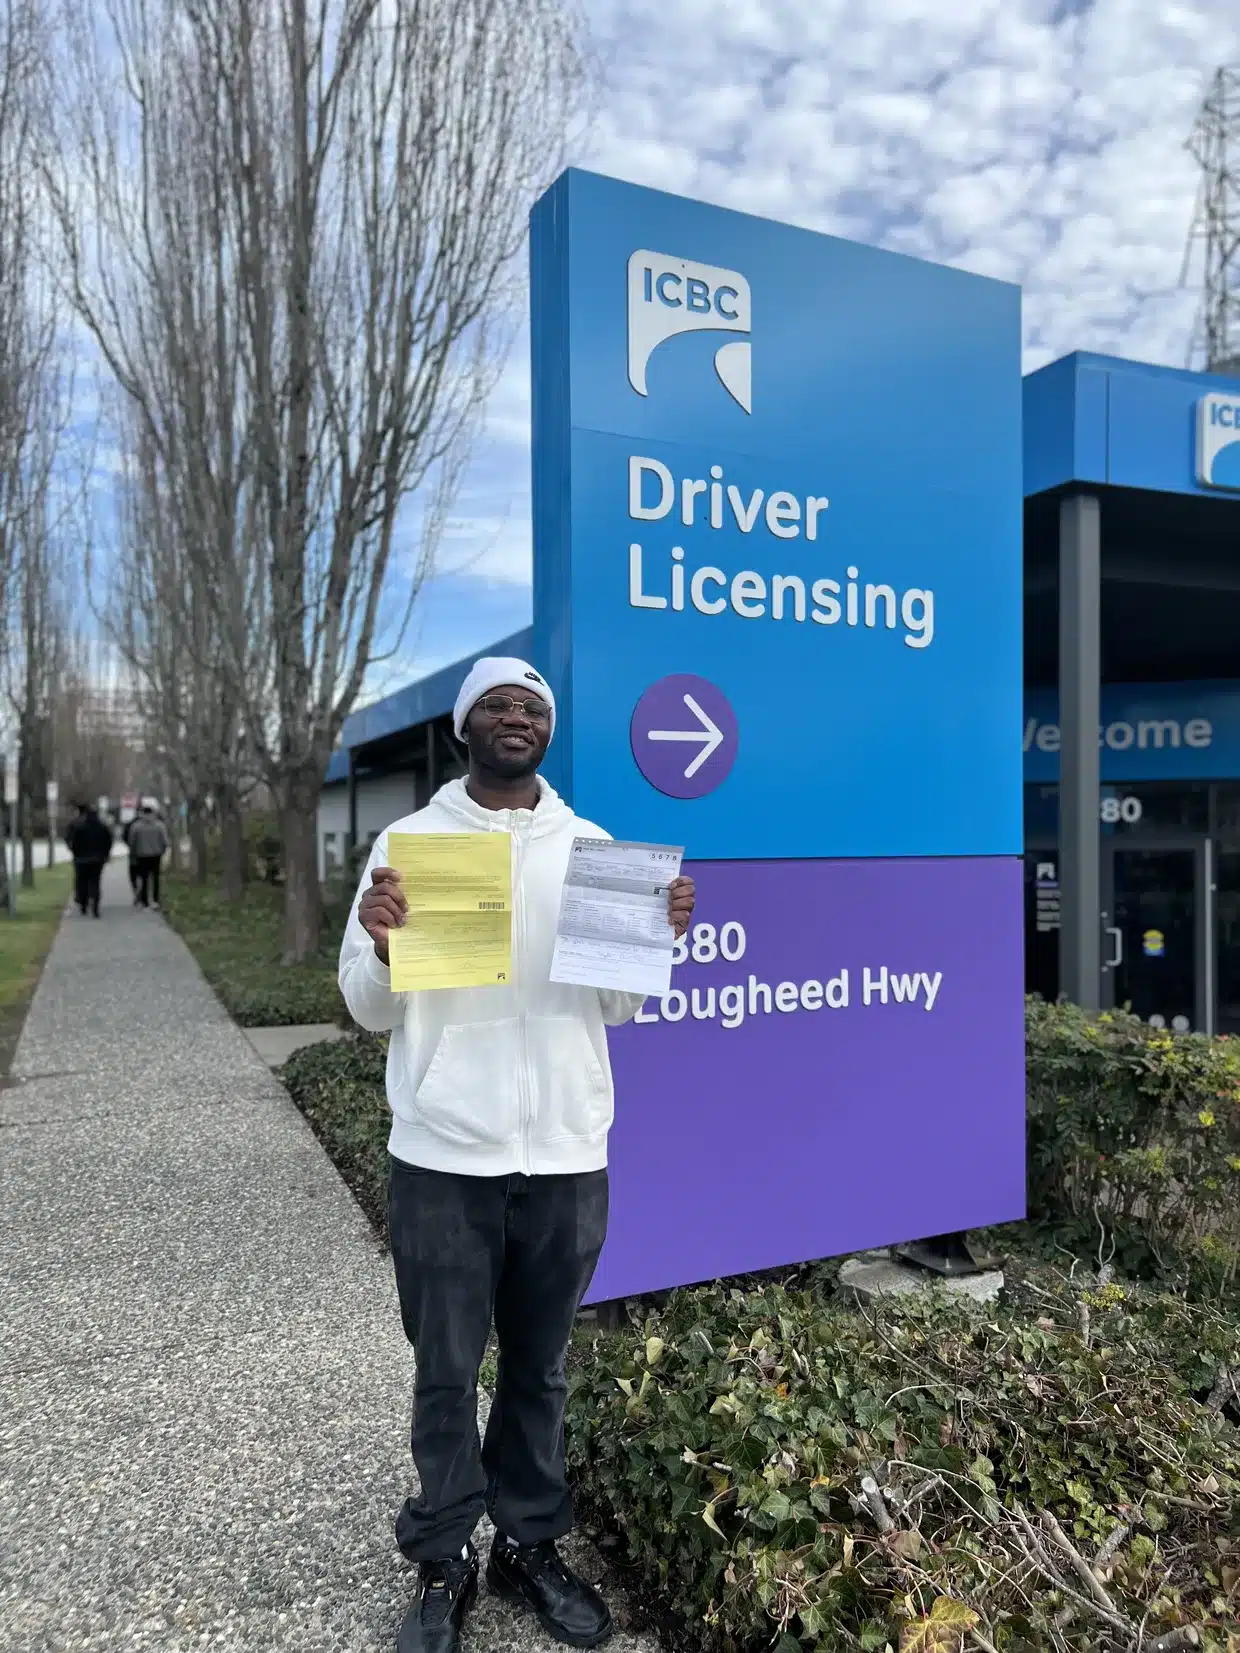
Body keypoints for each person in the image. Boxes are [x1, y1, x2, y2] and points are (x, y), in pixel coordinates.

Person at [339, 657, 695, 1653]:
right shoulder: (409, 843)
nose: (514, 716)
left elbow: (618, 1006)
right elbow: (366, 1009)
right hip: (443, 1157)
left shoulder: (593, 849)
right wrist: (380, 947)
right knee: (446, 1373)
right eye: (496, 703)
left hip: (567, 1154)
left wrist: (655, 936)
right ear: (464, 727)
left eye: (531, 707)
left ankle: (527, 1545)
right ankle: (443, 1556)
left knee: (540, 1370)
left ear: (547, 729)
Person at [66, 803, 113, 918]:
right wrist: (106, 854)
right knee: (95, 882)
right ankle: (95, 906)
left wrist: (75, 854)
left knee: (82, 881)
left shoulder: (79, 827)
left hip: (81, 859)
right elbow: (108, 842)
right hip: (97, 859)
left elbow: (74, 843)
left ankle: (83, 903)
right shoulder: (102, 827)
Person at [128, 805, 168, 909]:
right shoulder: (159, 825)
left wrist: (133, 854)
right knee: (155, 878)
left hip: (142, 855)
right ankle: (155, 899)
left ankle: (144, 901)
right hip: (156, 855)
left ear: (142, 814)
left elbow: (132, 842)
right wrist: (163, 851)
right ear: (153, 814)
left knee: (144, 878)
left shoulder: (136, 826)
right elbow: (164, 841)